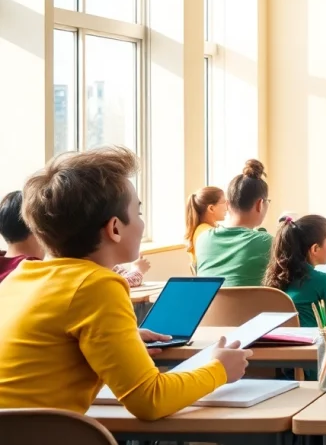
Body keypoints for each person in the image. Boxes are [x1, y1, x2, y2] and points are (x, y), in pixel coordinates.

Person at [0, 147, 251, 419]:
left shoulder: (20, 277)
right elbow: (150, 400)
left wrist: (121, 339)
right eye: (139, 212)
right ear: (115, 228)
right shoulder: (97, 285)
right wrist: (219, 369)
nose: (142, 223)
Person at [0, 190, 150, 287]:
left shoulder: (9, 267)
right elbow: (109, 286)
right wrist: (137, 271)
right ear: (40, 228)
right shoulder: (36, 274)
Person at [196, 160, 272, 287]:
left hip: (210, 307)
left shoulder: (203, 239)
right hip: (254, 307)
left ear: (227, 204)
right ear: (260, 204)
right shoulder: (268, 242)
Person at [263, 214, 326, 328]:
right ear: (315, 249)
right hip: (312, 344)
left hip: (279, 342)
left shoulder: (272, 279)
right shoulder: (324, 281)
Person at [184, 186, 227, 268]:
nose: (227, 207)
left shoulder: (203, 229)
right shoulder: (208, 233)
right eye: (224, 202)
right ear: (211, 208)